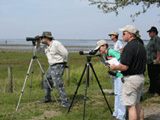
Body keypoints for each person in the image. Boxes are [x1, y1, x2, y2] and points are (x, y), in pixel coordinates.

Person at [110, 25, 146, 120]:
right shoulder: (141, 45)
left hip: (131, 79)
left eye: (124, 33)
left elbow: (125, 66)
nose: (122, 36)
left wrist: (114, 67)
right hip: (140, 77)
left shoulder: (129, 47)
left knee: (130, 106)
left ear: (130, 35)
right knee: (137, 103)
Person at [36, 31, 70, 108]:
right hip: (51, 65)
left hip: (58, 64)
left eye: (42, 38)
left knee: (58, 84)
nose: (41, 39)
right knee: (47, 81)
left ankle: (66, 103)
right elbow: (38, 51)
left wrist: (64, 63)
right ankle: (47, 98)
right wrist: (38, 43)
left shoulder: (56, 44)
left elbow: (65, 53)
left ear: (47, 38)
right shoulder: (46, 46)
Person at [95, 40, 126, 120]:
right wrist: (102, 59)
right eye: (98, 49)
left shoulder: (111, 51)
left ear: (105, 46)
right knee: (116, 94)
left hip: (120, 75)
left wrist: (110, 61)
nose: (99, 50)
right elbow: (107, 64)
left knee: (120, 96)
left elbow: (121, 58)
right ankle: (116, 113)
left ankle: (122, 116)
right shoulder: (106, 54)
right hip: (116, 75)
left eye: (100, 48)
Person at [146, 26, 160, 95]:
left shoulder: (157, 39)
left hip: (154, 60)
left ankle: (157, 90)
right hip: (149, 60)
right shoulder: (151, 40)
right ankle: (152, 89)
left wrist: (158, 58)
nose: (149, 34)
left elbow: (158, 49)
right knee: (151, 75)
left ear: (154, 32)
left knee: (156, 76)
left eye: (150, 32)